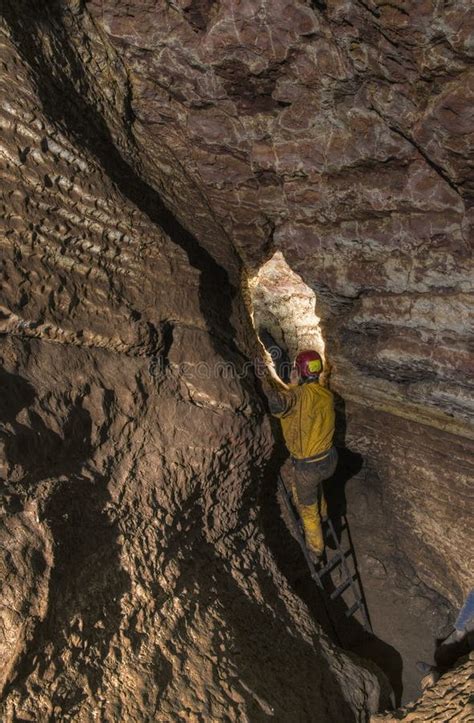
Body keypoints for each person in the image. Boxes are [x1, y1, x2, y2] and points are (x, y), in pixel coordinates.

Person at [257, 349, 337, 562]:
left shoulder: (296, 396)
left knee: (306, 506)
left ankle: (316, 550)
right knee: (314, 486)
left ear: (299, 371)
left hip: (308, 468)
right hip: (329, 460)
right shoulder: (327, 395)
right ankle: (325, 515)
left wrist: (265, 380)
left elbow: (277, 404)